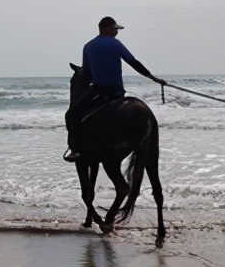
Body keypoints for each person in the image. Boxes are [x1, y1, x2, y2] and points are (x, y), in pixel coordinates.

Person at [64, 16, 166, 161]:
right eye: (114, 29)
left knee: (72, 115)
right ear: (105, 28)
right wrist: (152, 77)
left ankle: (76, 149)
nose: (116, 32)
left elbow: (86, 72)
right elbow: (133, 62)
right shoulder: (115, 44)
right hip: (116, 90)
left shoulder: (88, 46)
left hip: (98, 89)